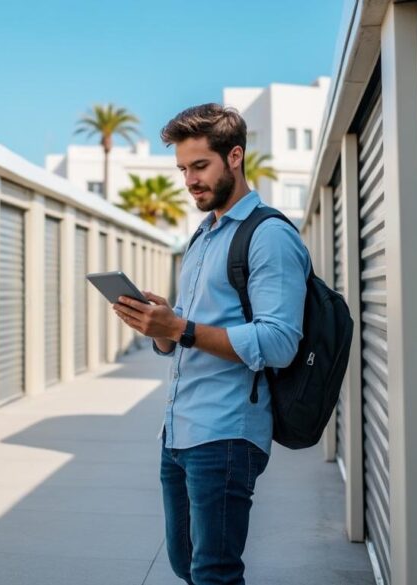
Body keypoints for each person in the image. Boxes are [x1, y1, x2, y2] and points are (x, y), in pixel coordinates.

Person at [112, 103, 310, 585]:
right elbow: (187, 334)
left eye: (199, 166)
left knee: (214, 573)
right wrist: (163, 327)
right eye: (182, 169)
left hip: (226, 433)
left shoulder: (270, 237)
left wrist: (180, 329)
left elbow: (280, 342)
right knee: (187, 564)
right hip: (179, 431)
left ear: (235, 156)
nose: (189, 180)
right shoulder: (202, 238)